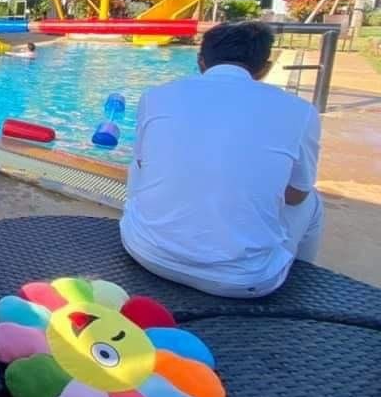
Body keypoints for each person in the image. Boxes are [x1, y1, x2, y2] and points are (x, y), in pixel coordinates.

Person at [120, 21, 323, 299]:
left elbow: (144, 166)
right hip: (244, 279)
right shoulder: (301, 111)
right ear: (265, 67)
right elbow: (297, 195)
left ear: (201, 61)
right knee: (312, 201)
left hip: (145, 252)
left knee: (138, 163)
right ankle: (300, 290)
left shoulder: (156, 96)